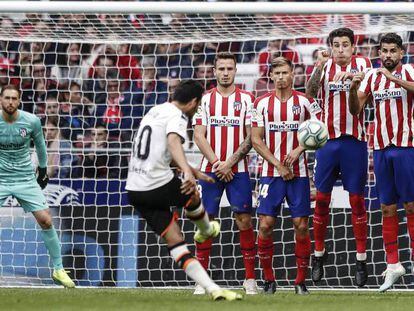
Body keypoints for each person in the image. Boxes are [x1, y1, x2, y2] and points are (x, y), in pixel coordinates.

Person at [125, 80, 242, 301]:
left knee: (175, 240)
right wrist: (188, 174)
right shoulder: (177, 117)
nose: (197, 110)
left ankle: (213, 289)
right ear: (194, 102)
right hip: (155, 185)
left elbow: (156, 152)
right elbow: (172, 142)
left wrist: (191, 169)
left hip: (134, 189)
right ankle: (207, 229)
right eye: (198, 106)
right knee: (192, 192)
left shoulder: (155, 110)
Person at [305, 27, 372, 287]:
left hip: (354, 143)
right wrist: (319, 66)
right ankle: (319, 255)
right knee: (321, 200)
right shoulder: (324, 66)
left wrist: (353, 76)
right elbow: (310, 93)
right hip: (326, 143)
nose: (341, 49)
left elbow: (368, 77)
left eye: (346, 44)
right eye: (336, 45)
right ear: (331, 47)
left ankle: (361, 260)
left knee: (357, 202)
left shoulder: (363, 64)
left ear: (353, 47)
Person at [349, 32, 414, 292]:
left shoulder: (409, 71)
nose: (387, 55)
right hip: (381, 149)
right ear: (379, 53)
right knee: (387, 207)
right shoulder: (372, 77)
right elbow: (356, 110)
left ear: (401, 52)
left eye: (392, 51)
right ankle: (393, 265)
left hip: (406, 146)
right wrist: (354, 89)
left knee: (411, 205)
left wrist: (393, 78)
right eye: (384, 51)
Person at [251, 57, 322, 295]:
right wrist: (277, 164)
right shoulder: (260, 103)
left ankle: (300, 282)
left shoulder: (306, 102)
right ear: (271, 76)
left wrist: (300, 148)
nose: (281, 77)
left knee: (301, 225)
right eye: (277, 73)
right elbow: (256, 139)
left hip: (299, 174)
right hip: (270, 174)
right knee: (265, 225)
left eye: (285, 72)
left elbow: (320, 130)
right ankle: (269, 280)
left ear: (293, 74)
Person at [193, 52, 258, 295]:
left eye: (229, 68)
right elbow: (199, 135)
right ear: (214, 71)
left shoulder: (248, 99)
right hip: (211, 171)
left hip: (238, 170)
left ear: (235, 71)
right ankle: (202, 280)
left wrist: (230, 162)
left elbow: (252, 136)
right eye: (221, 68)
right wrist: (219, 162)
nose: (225, 72)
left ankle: (250, 279)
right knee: (206, 223)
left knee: (244, 220)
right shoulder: (205, 100)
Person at [0, 84, 74, 288]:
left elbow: (41, 146)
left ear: (19, 100)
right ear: (1, 100)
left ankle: (58, 269)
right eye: (7, 98)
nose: (10, 102)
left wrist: (42, 170)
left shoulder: (31, 121)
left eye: (14, 98)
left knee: (46, 220)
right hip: (1, 178)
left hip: (25, 178)